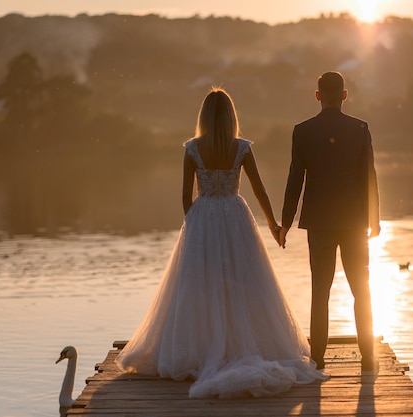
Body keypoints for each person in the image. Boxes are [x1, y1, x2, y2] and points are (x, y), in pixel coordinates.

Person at [115, 87, 326, 398]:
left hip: (203, 219)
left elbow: (186, 198)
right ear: (231, 117)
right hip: (235, 216)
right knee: (244, 283)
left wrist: (196, 225)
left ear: (203, 118)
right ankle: (238, 343)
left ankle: (201, 349)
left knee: (200, 285)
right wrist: (273, 226)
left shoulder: (192, 149)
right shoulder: (241, 148)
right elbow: (260, 191)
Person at [279, 71, 381, 372]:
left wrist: (285, 223)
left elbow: (295, 178)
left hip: (320, 223)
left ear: (317, 95)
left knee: (320, 291)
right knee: (361, 289)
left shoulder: (302, 130)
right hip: (354, 222)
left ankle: (318, 358)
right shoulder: (360, 128)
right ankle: (367, 357)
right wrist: (374, 219)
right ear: (345, 95)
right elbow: (369, 176)